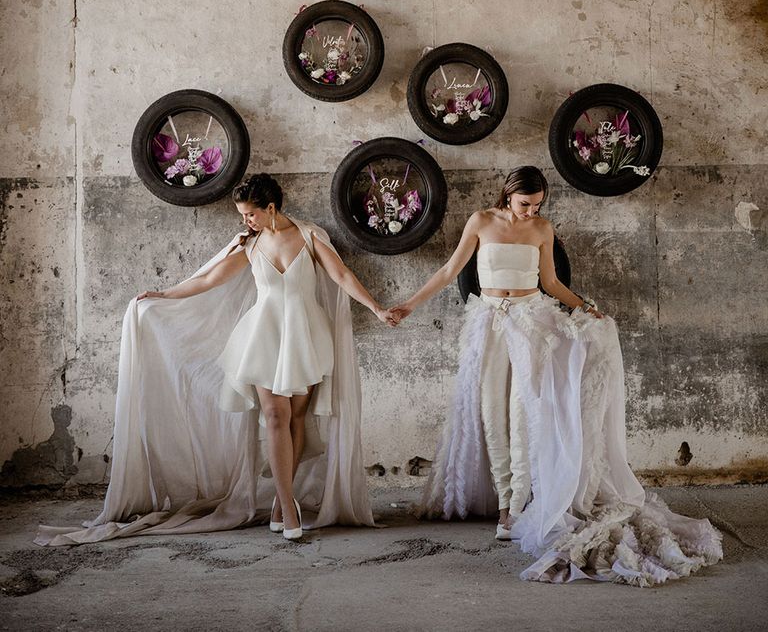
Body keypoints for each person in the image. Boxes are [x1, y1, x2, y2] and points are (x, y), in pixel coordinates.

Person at [390, 166, 722, 586]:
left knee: (524, 415)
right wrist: (408, 305)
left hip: (531, 322)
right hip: (488, 323)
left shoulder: (542, 229)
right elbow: (448, 272)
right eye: (525, 203)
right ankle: (502, 502)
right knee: (492, 415)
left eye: (538, 205)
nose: (531, 211)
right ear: (508, 196)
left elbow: (549, 281)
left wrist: (584, 307)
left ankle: (513, 510)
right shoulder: (481, 222)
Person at [37, 173, 391, 546]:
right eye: (242, 215)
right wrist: (164, 294)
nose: (245, 222)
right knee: (275, 416)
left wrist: (377, 308)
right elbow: (208, 280)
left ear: (271, 208)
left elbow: (341, 274)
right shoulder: (250, 246)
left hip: (306, 337)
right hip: (264, 338)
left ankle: (281, 501)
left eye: (250, 214)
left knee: (297, 420)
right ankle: (287, 507)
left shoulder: (309, 237)